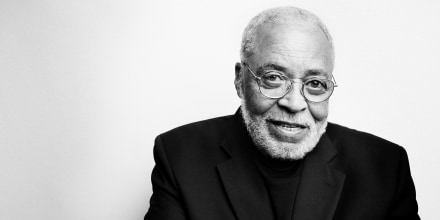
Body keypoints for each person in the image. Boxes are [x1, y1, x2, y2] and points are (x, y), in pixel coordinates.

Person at [145, 6, 420, 220]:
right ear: (240, 80)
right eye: (274, 78)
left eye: (314, 84)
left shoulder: (384, 168)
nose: (294, 103)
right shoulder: (180, 157)